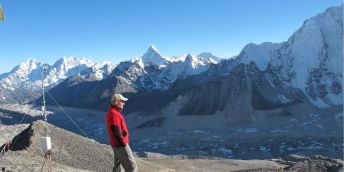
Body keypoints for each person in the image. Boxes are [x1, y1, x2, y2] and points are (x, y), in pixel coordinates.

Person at [105, 93, 138, 172]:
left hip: (116, 144)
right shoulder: (114, 114)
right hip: (120, 144)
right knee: (132, 167)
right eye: (122, 101)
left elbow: (116, 129)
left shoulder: (112, 112)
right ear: (116, 102)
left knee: (118, 167)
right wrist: (123, 144)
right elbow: (115, 130)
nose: (124, 103)